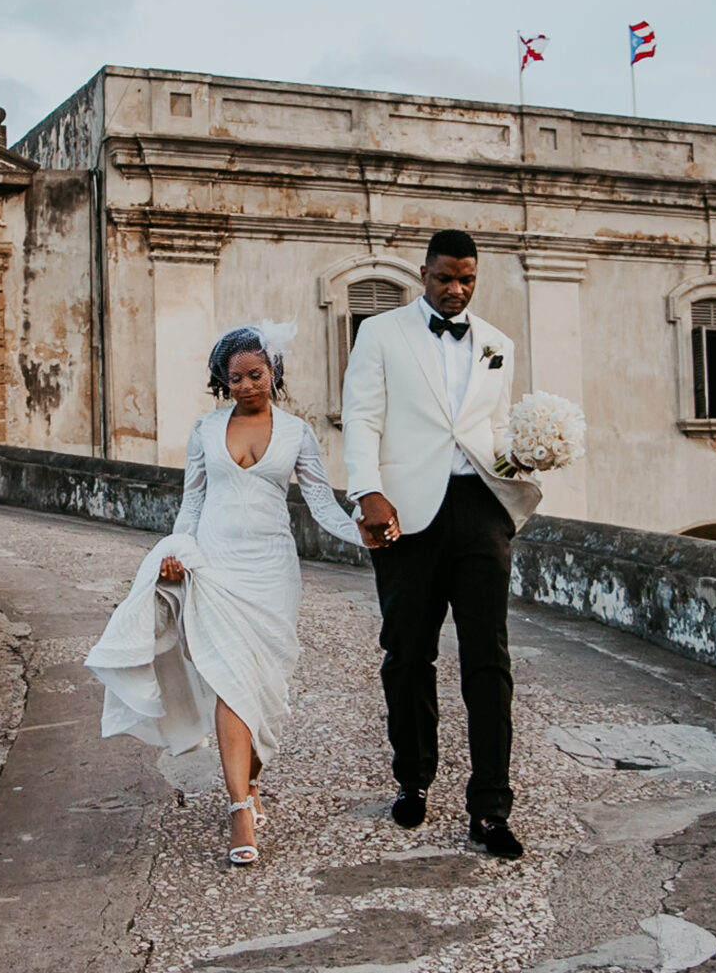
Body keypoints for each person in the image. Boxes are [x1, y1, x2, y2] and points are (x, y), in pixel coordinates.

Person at [85, 322, 363, 866]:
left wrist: (367, 534)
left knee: (263, 688)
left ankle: (251, 783)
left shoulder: (298, 433)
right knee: (231, 684)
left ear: (274, 372)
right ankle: (239, 806)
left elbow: (324, 507)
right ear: (223, 381)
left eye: (255, 375)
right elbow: (191, 505)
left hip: (271, 571)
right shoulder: (205, 431)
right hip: (214, 566)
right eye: (233, 379)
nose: (245, 387)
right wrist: (176, 553)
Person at [339, 229, 543, 859]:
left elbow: (493, 427)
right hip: (406, 513)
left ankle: (490, 810)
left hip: (481, 510)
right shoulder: (380, 333)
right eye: (444, 278)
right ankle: (413, 780)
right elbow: (363, 416)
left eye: (467, 280)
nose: (455, 290)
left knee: (489, 660)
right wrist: (368, 492)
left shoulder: (496, 345)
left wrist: (530, 454)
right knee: (406, 654)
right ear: (422, 273)